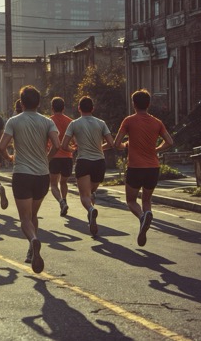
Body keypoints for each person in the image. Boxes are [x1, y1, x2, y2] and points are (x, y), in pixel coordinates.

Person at [0, 86, 60, 274]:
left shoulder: (14, 121)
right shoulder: (47, 121)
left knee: (25, 218)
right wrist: (47, 159)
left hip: (22, 174)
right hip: (42, 176)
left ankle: (33, 240)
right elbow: (57, 145)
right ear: (39, 103)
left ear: (22, 103)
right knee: (33, 215)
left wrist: (9, 158)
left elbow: (1, 146)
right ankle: (31, 248)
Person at [114, 89, 173, 246]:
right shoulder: (157, 122)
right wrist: (156, 149)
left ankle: (142, 217)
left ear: (134, 104)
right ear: (149, 104)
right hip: (153, 168)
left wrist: (125, 145)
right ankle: (147, 214)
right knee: (146, 199)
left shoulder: (129, 120)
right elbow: (170, 142)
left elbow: (116, 143)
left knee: (131, 200)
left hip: (135, 167)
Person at [61, 96, 115, 237]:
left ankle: (90, 210)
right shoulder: (101, 123)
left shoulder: (74, 124)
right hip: (99, 162)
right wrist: (100, 147)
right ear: (92, 108)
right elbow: (111, 143)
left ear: (79, 108)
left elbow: (63, 145)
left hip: (84, 161)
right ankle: (91, 214)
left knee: (84, 195)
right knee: (91, 192)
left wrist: (72, 150)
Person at [48, 97, 73, 217]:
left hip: (54, 156)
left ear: (52, 108)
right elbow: (74, 140)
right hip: (67, 156)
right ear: (64, 108)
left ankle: (61, 201)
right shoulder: (70, 121)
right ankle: (65, 199)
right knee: (64, 182)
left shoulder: (48, 121)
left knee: (53, 184)